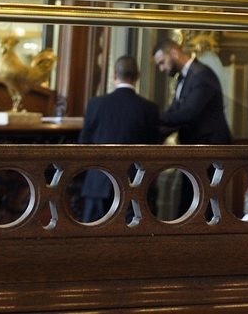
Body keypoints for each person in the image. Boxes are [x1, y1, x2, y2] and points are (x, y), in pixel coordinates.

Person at [78, 55, 162, 222]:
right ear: (137, 77)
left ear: (114, 75)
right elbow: (155, 148)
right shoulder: (149, 109)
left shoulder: (96, 104)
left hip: (98, 183)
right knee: (130, 241)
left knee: (93, 237)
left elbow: (83, 143)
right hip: (134, 184)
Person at [153, 37, 232, 145]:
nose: (161, 69)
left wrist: (151, 116)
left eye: (162, 62)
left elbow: (188, 114)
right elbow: (173, 112)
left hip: (212, 148)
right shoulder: (184, 77)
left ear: (174, 52)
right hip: (197, 147)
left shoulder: (202, 75)